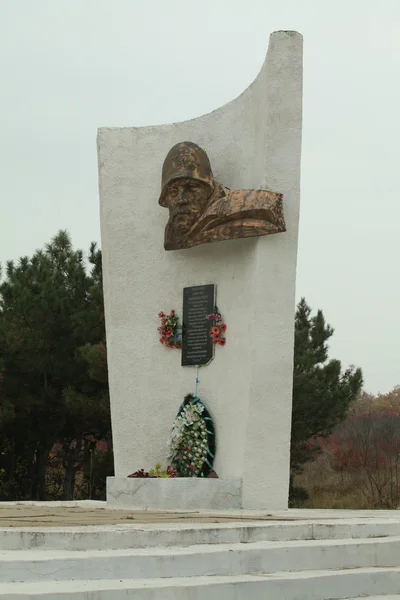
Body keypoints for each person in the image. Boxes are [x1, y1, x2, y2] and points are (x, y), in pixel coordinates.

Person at [159, 141, 285, 251]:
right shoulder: (172, 233)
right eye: (173, 192)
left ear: (208, 189)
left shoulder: (256, 206)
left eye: (191, 188)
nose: (181, 200)